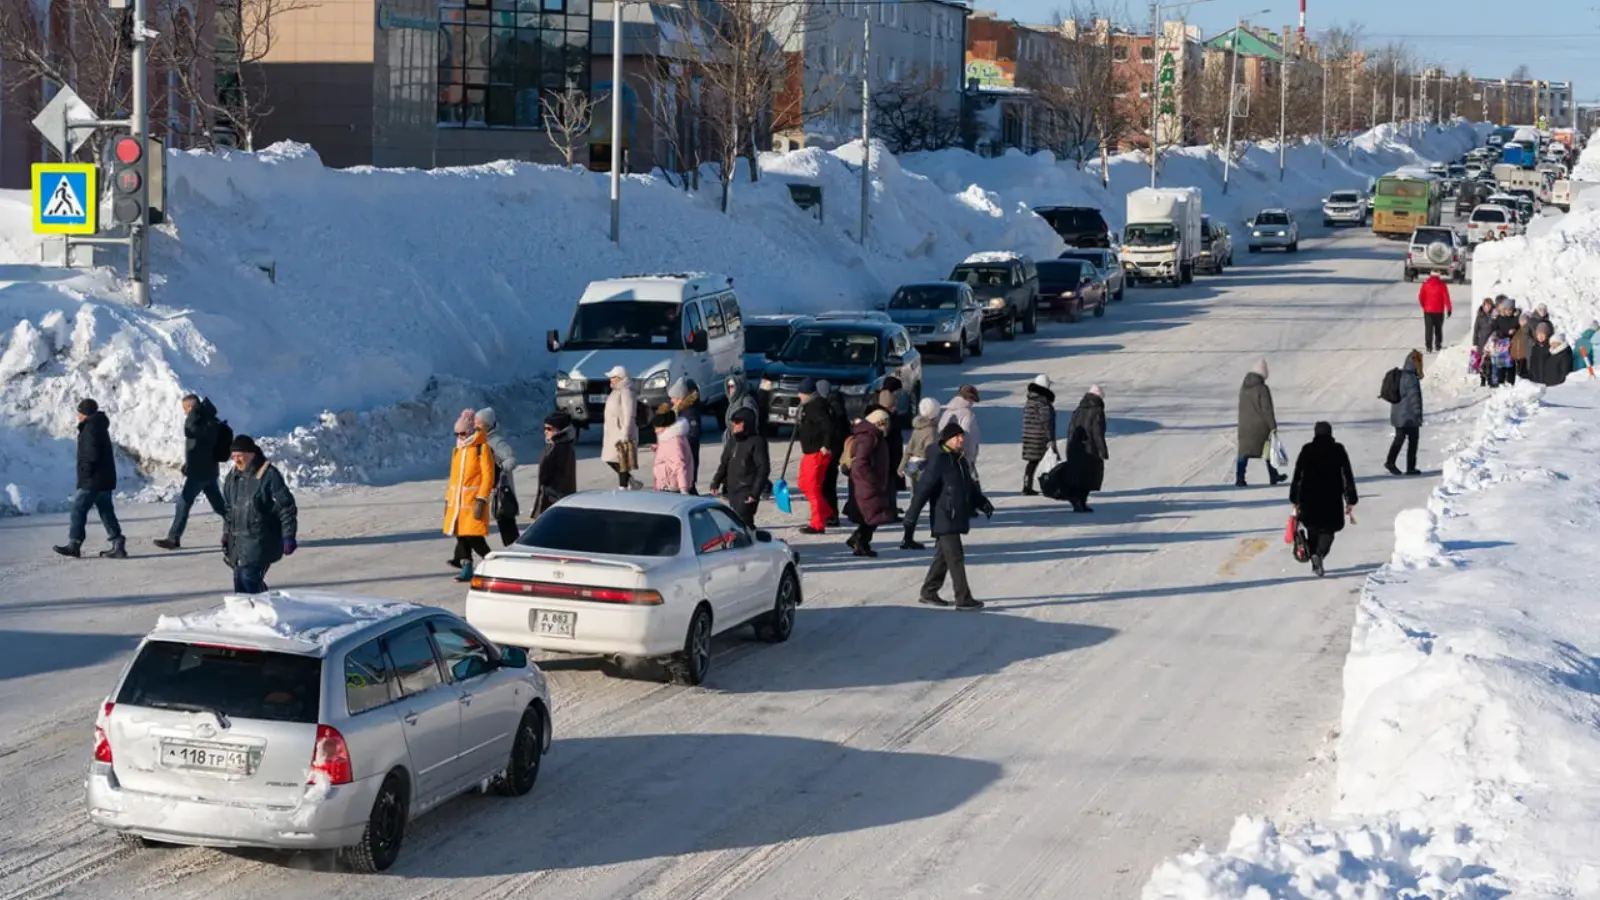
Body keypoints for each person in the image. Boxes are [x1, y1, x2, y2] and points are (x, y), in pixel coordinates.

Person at [901, 421, 993, 610]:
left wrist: (982, 502)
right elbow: (924, 489)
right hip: (945, 515)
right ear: (947, 439)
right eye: (957, 436)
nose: (961, 439)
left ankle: (929, 591)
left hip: (955, 515)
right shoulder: (940, 460)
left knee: (944, 555)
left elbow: (969, 485)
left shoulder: (959, 459)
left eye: (962, 436)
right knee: (956, 557)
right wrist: (912, 515)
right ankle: (963, 599)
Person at [221, 434, 298, 593]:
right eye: (234, 456)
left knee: (249, 578)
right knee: (240, 583)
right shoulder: (232, 478)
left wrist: (288, 535)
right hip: (239, 542)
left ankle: (269, 611)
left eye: (240, 456)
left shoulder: (268, 475)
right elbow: (229, 509)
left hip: (262, 540)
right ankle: (249, 616)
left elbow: (286, 506)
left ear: (251, 454)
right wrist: (226, 533)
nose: (236, 460)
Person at [153, 394, 228, 551]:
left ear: (191, 407)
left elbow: (190, 431)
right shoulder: (208, 420)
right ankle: (237, 527)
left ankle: (173, 538)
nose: (186, 413)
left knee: (183, 503)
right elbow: (200, 445)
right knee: (220, 506)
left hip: (201, 472)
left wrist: (194, 412)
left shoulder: (204, 421)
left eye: (186, 409)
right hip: (205, 470)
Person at [55, 398, 126, 559]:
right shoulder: (99, 425)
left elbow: (90, 455)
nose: (78, 416)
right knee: (106, 511)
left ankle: (74, 544)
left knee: (78, 510)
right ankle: (118, 542)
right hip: (104, 478)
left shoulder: (90, 428)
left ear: (85, 413)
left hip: (93, 479)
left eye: (79, 413)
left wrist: (85, 474)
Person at [1289, 421, 1358, 578]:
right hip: (1331, 497)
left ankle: (1316, 557)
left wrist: (1295, 497)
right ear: (1330, 433)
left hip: (1309, 497)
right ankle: (1318, 555)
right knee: (1329, 530)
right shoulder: (1338, 450)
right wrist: (1350, 498)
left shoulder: (1307, 450)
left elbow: (1298, 475)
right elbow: (1346, 475)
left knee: (1312, 529)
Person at [444, 410, 496, 581]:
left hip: (472, 501)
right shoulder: (458, 450)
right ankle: (466, 568)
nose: (460, 436)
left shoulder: (482, 448)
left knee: (473, 537)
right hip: (457, 502)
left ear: (471, 431)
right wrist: (448, 499)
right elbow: (453, 478)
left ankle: (493, 562)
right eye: (457, 433)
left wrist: (481, 498)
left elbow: (488, 476)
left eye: (463, 433)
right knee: (461, 534)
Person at [845, 409, 894, 557]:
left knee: (873, 514)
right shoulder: (868, 437)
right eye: (885, 423)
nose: (887, 426)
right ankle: (859, 542)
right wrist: (872, 480)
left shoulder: (873, 435)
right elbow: (861, 463)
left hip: (870, 482)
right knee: (874, 514)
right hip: (867, 483)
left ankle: (860, 540)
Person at [710, 407, 770, 527]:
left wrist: (755, 493)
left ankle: (752, 542)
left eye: (738, 423)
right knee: (735, 522)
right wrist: (716, 481)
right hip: (732, 488)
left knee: (744, 522)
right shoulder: (732, 441)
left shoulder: (757, 441)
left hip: (747, 489)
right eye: (733, 423)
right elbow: (724, 464)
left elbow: (763, 468)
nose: (734, 426)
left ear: (746, 423)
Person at [795, 378, 836, 534]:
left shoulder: (815, 406)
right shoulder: (809, 406)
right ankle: (825, 511)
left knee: (813, 488)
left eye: (801, 392)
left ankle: (817, 524)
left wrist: (826, 445)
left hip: (817, 453)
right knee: (803, 484)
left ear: (807, 393)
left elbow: (828, 426)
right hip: (809, 452)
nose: (799, 395)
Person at [475, 407, 520, 545]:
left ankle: (515, 550)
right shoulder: (481, 440)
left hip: (501, 490)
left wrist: (500, 471)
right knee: (502, 521)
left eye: (478, 422)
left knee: (505, 520)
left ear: (486, 425)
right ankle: (512, 548)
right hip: (491, 489)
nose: (475, 425)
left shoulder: (496, 441)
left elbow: (511, 459)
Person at [1236, 360, 1285, 487]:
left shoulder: (1244, 387)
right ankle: (1273, 475)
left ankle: (1240, 477)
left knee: (1243, 452)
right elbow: (1266, 409)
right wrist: (1273, 426)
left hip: (1244, 425)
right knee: (1268, 449)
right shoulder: (1262, 389)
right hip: (1260, 426)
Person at [1062, 385, 1109, 513]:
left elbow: (1071, 430)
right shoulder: (1097, 411)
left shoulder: (1078, 410)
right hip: (1090, 450)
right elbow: (1097, 433)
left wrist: (1069, 448)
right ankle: (1080, 501)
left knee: (1079, 476)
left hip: (1075, 448)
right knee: (1089, 477)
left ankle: (1079, 502)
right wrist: (1103, 451)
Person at [1385, 350, 1425, 476]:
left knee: (1399, 439)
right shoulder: (1411, 378)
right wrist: (1418, 414)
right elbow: (1415, 398)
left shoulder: (1402, 375)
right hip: (1409, 417)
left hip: (1399, 416)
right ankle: (1410, 467)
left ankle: (1391, 462)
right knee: (1413, 440)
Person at [531, 412, 577, 518]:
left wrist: (547, 491)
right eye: (545, 428)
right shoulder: (560, 444)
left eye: (549, 428)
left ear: (559, 430)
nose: (545, 432)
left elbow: (550, 474)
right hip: (555, 495)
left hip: (554, 496)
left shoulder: (558, 447)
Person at [600, 365, 640, 489]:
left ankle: (623, 486)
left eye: (613, 377)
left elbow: (629, 414)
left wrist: (625, 432)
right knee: (610, 458)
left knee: (620, 459)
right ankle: (630, 481)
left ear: (620, 377)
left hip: (621, 430)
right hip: (612, 431)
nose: (610, 379)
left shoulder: (626, 391)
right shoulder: (616, 390)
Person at [1020, 374, 1059, 496]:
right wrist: (1050, 439)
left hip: (1029, 436)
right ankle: (1052, 486)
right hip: (1040, 437)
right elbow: (1046, 422)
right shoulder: (1043, 403)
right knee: (1050, 461)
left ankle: (1027, 486)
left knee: (1032, 462)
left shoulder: (1030, 401)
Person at [939, 384, 983, 474]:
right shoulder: (967, 414)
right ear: (970, 399)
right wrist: (969, 460)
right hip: (961, 458)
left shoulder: (947, 412)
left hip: (945, 456)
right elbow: (968, 438)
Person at [669, 377, 703, 493]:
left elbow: (694, 434)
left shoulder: (690, 413)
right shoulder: (680, 410)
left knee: (688, 487)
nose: (671, 401)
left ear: (680, 398)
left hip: (687, 458)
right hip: (680, 458)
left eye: (674, 398)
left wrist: (679, 442)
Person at [902, 396, 939, 495]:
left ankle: (914, 509)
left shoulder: (917, 428)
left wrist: (902, 465)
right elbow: (931, 452)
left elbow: (909, 448)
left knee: (915, 495)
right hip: (925, 466)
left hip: (913, 465)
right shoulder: (931, 431)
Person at [650, 409, 694, 493]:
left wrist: (683, 489)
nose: (655, 431)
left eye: (657, 428)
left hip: (671, 487)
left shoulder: (673, 441)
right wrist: (658, 448)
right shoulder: (666, 438)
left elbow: (680, 466)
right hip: (666, 484)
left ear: (665, 426)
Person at [1527, 323, 1574, 387]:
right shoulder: (1534, 347)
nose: (1540, 336)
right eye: (1538, 334)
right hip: (1536, 379)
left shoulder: (1551, 347)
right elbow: (1532, 363)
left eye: (1542, 334)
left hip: (1547, 380)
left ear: (1547, 334)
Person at [1417, 272, 1453, 353]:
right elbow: (1446, 298)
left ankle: (1428, 346)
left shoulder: (1425, 284)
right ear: (1439, 276)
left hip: (1428, 311)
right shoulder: (1442, 285)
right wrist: (1449, 309)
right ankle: (1438, 345)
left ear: (1430, 275)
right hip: (1439, 311)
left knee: (1428, 329)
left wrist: (1424, 306)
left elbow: (1421, 297)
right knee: (1438, 328)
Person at [723, 376, 760, 442]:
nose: (730, 389)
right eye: (728, 387)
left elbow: (750, 418)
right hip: (732, 438)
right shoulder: (732, 402)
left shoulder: (746, 400)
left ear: (739, 386)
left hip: (743, 439)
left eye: (732, 386)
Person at [1471, 298, 1497, 386]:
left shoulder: (1494, 315)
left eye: (1489, 305)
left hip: (1491, 341)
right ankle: (1482, 379)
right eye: (1486, 305)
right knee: (1483, 361)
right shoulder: (1480, 316)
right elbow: (1476, 330)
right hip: (1482, 341)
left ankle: (1490, 379)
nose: (1487, 307)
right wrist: (1475, 343)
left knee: (1490, 361)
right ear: (1483, 306)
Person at [1511, 312, 1533, 380]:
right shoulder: (1518, 330)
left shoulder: (1530, 329)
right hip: (1519, 354)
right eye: (1521, 320)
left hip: (1527, 353)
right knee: (1520, 370)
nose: (1522, 322)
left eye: (1524, 320)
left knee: (1526, 369)